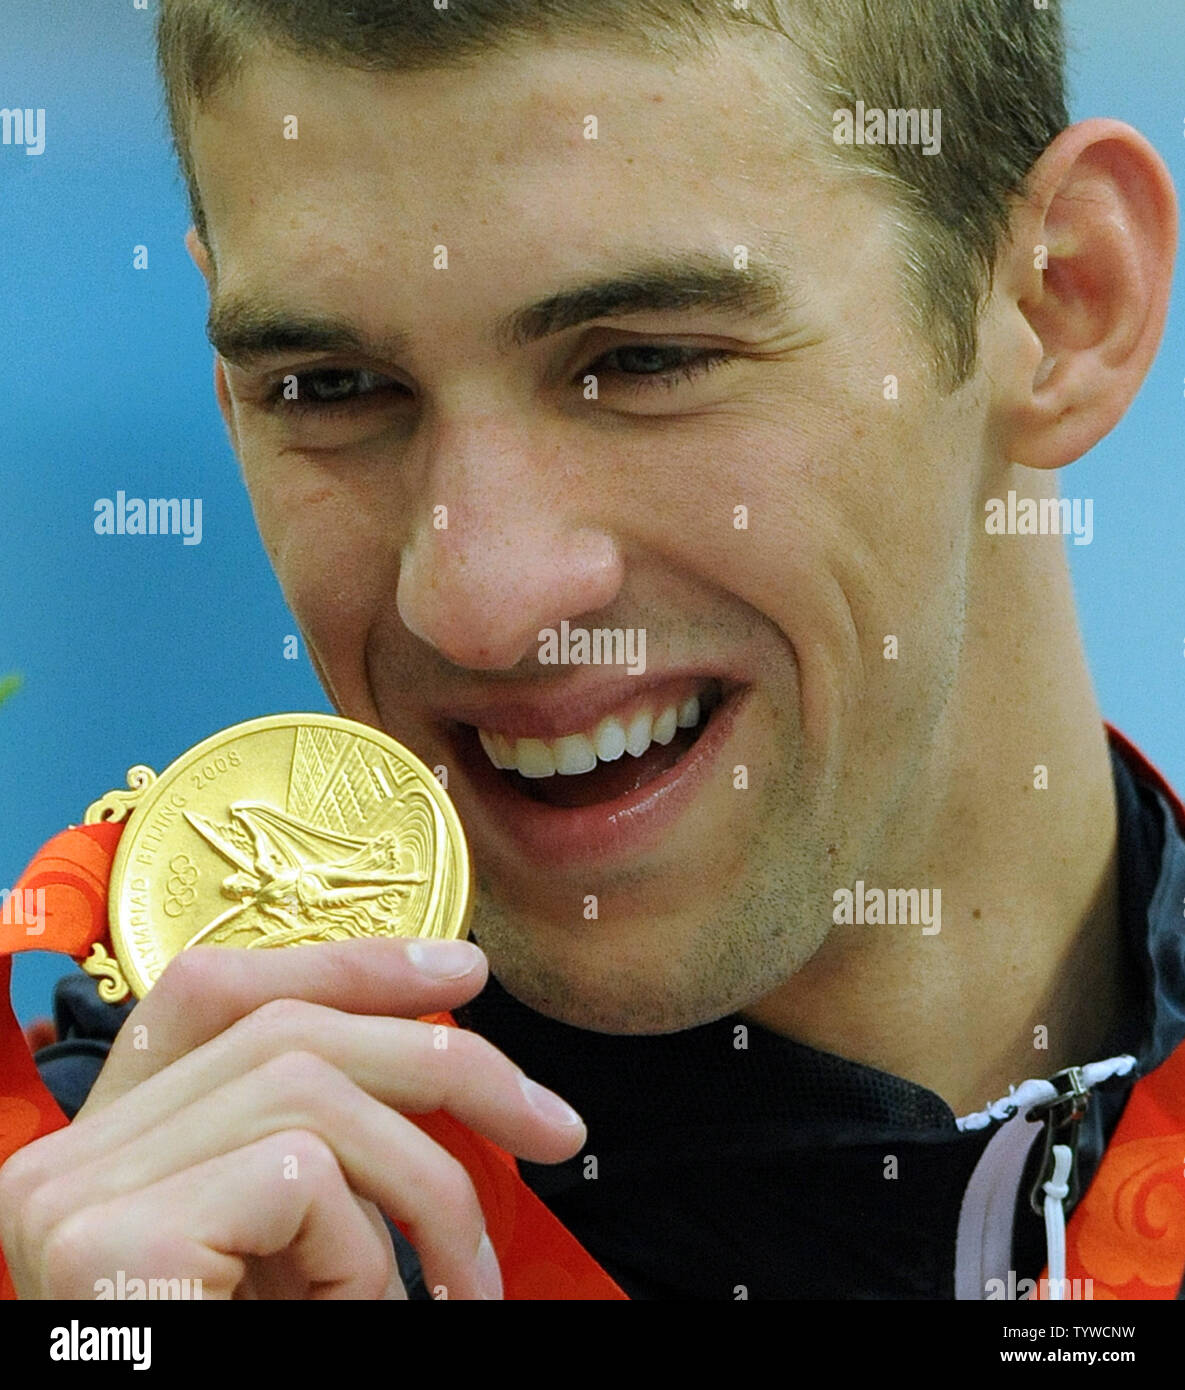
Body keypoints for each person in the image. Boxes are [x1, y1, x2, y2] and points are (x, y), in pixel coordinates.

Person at [2, 0, 1183, 1300]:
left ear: (1061, 303)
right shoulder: (84, 1252)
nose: (477, 599)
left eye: (643, 360)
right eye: (331, 386)